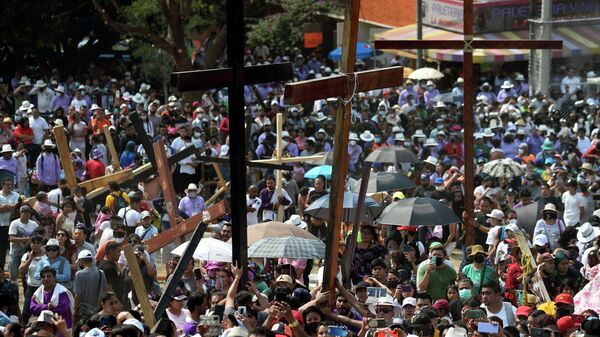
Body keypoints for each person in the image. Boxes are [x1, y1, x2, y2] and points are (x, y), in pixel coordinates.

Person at [73, 249, 107, 322]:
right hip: (98, 311)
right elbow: (105, 292)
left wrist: (75, 311)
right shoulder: (101, 273)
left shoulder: (79, 274)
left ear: (81, 261)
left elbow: (77, 295)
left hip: (83, 312)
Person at [8, 205, 38, 281]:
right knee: (13, 275)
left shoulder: (34, 224)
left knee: (27, 276)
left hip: (28, 253)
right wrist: (25, 239)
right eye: (24, 212)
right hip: (15, 253)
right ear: (20, 213)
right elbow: (11, 238)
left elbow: (39, 236)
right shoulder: (14, 223)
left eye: (28, 212)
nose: (26, 214)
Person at [0, 179, 19, 270]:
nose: (9, 186)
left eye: (10, 184)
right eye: (7, 184)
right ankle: (1, 269)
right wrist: (11, 206)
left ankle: (15, 269)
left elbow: (17, 207)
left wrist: (4, 206)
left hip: (13, 225)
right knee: (1, 249)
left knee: (14, 248)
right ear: (3, 185)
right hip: (1, 225)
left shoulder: (16, 195)